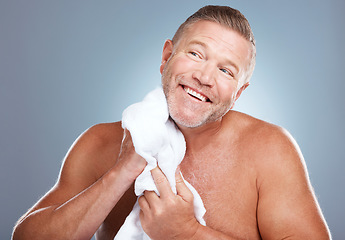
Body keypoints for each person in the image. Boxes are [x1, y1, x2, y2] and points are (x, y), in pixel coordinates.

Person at [12, 5, 331, 240]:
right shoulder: (100, 143)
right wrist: (122, 170)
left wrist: (189, 234)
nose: (204, 77)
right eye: (195, 54)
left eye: (226, 71)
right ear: (167, 56)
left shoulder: (269, 150)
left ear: (238, 93)